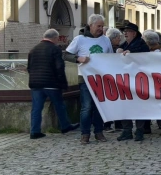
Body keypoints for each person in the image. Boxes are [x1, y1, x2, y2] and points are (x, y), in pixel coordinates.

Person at [64, 14, 114, 144]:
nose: (101, 28)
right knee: (86, 107)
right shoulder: (80, 39)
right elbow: (66, 54)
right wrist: (78, 58)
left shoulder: (106, 40)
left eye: (102, 26)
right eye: (99, 26)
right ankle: (85, 134)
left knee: (99, 106)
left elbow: (111, 57)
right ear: (91, 25)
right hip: (85, 78)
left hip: (101, 78)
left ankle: (99, 132)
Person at [27, 29, 79, 139]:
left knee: (36, 108)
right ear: (55, 38)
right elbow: (59, 67)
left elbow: (29, 68)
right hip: (51, 83)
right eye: (57, 39)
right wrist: (63, 83)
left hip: (36, 84)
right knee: (59, 105)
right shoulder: (55, 49)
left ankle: (34, 131)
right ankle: (65, 126)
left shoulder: (33, 49)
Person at [116, 22, 150, 142]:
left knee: (139, 106)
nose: (125, 33)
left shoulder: (141, 44)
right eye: (124, 31)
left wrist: (132, 55)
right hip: (125, 81)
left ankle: (139, 131)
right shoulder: (124, 44)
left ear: (134, 33)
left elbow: (145, 57)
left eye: (128, 31)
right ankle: (127, 130)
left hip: (139, 81)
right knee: (125, 105)